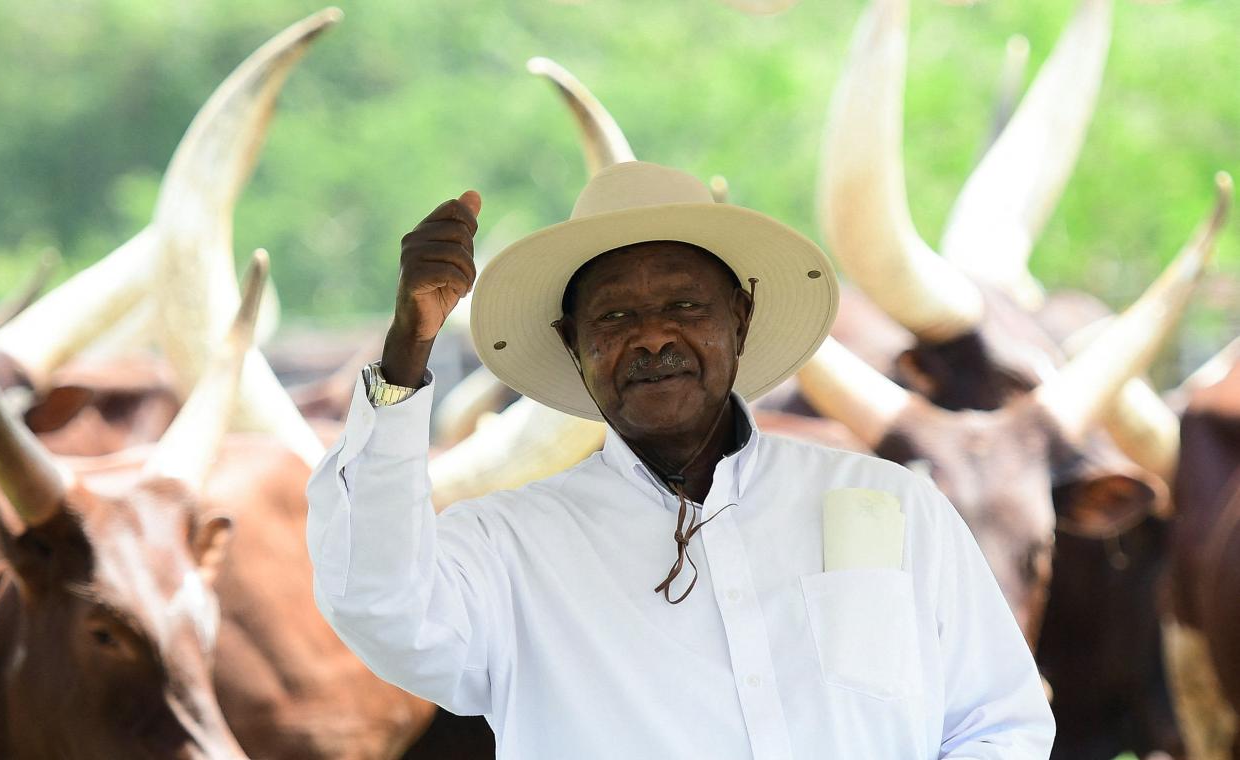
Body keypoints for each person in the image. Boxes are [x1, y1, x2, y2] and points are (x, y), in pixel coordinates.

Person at [306, 161, 1054, 758]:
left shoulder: (891, 504)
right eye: (616, 316)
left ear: (742, 316)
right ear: (575, 345)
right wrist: (407, 352)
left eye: (686, 306)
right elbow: (381, 606)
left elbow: (1000, 722)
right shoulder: (509, 546)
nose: (654, 337)